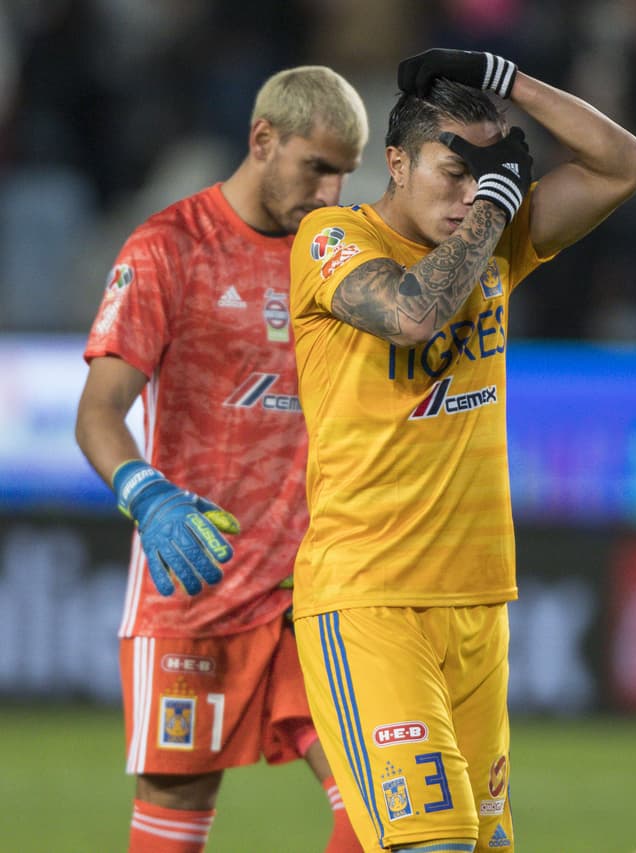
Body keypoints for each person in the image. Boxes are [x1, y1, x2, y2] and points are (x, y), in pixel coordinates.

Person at [287, 48, 636, 852]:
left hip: (479, 602)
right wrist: (496, 198)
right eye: (452, 171)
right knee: (437, 844)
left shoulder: (496, 243)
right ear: (396, 162)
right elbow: (416, 314)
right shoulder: (330, 238)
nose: (467, 194)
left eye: (487, 173)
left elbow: (625, 164)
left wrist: (507, 79)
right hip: (370, 599)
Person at [75, 67, 369, 852]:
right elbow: (99, 409)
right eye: (318, 167)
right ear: (262, 140)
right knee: (174, 819)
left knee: (379, 811)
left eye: (346, 172)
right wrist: (148, 494)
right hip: (196, 577)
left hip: (317, 592)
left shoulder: (340, 256)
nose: (334, 191)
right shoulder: (169, 246)